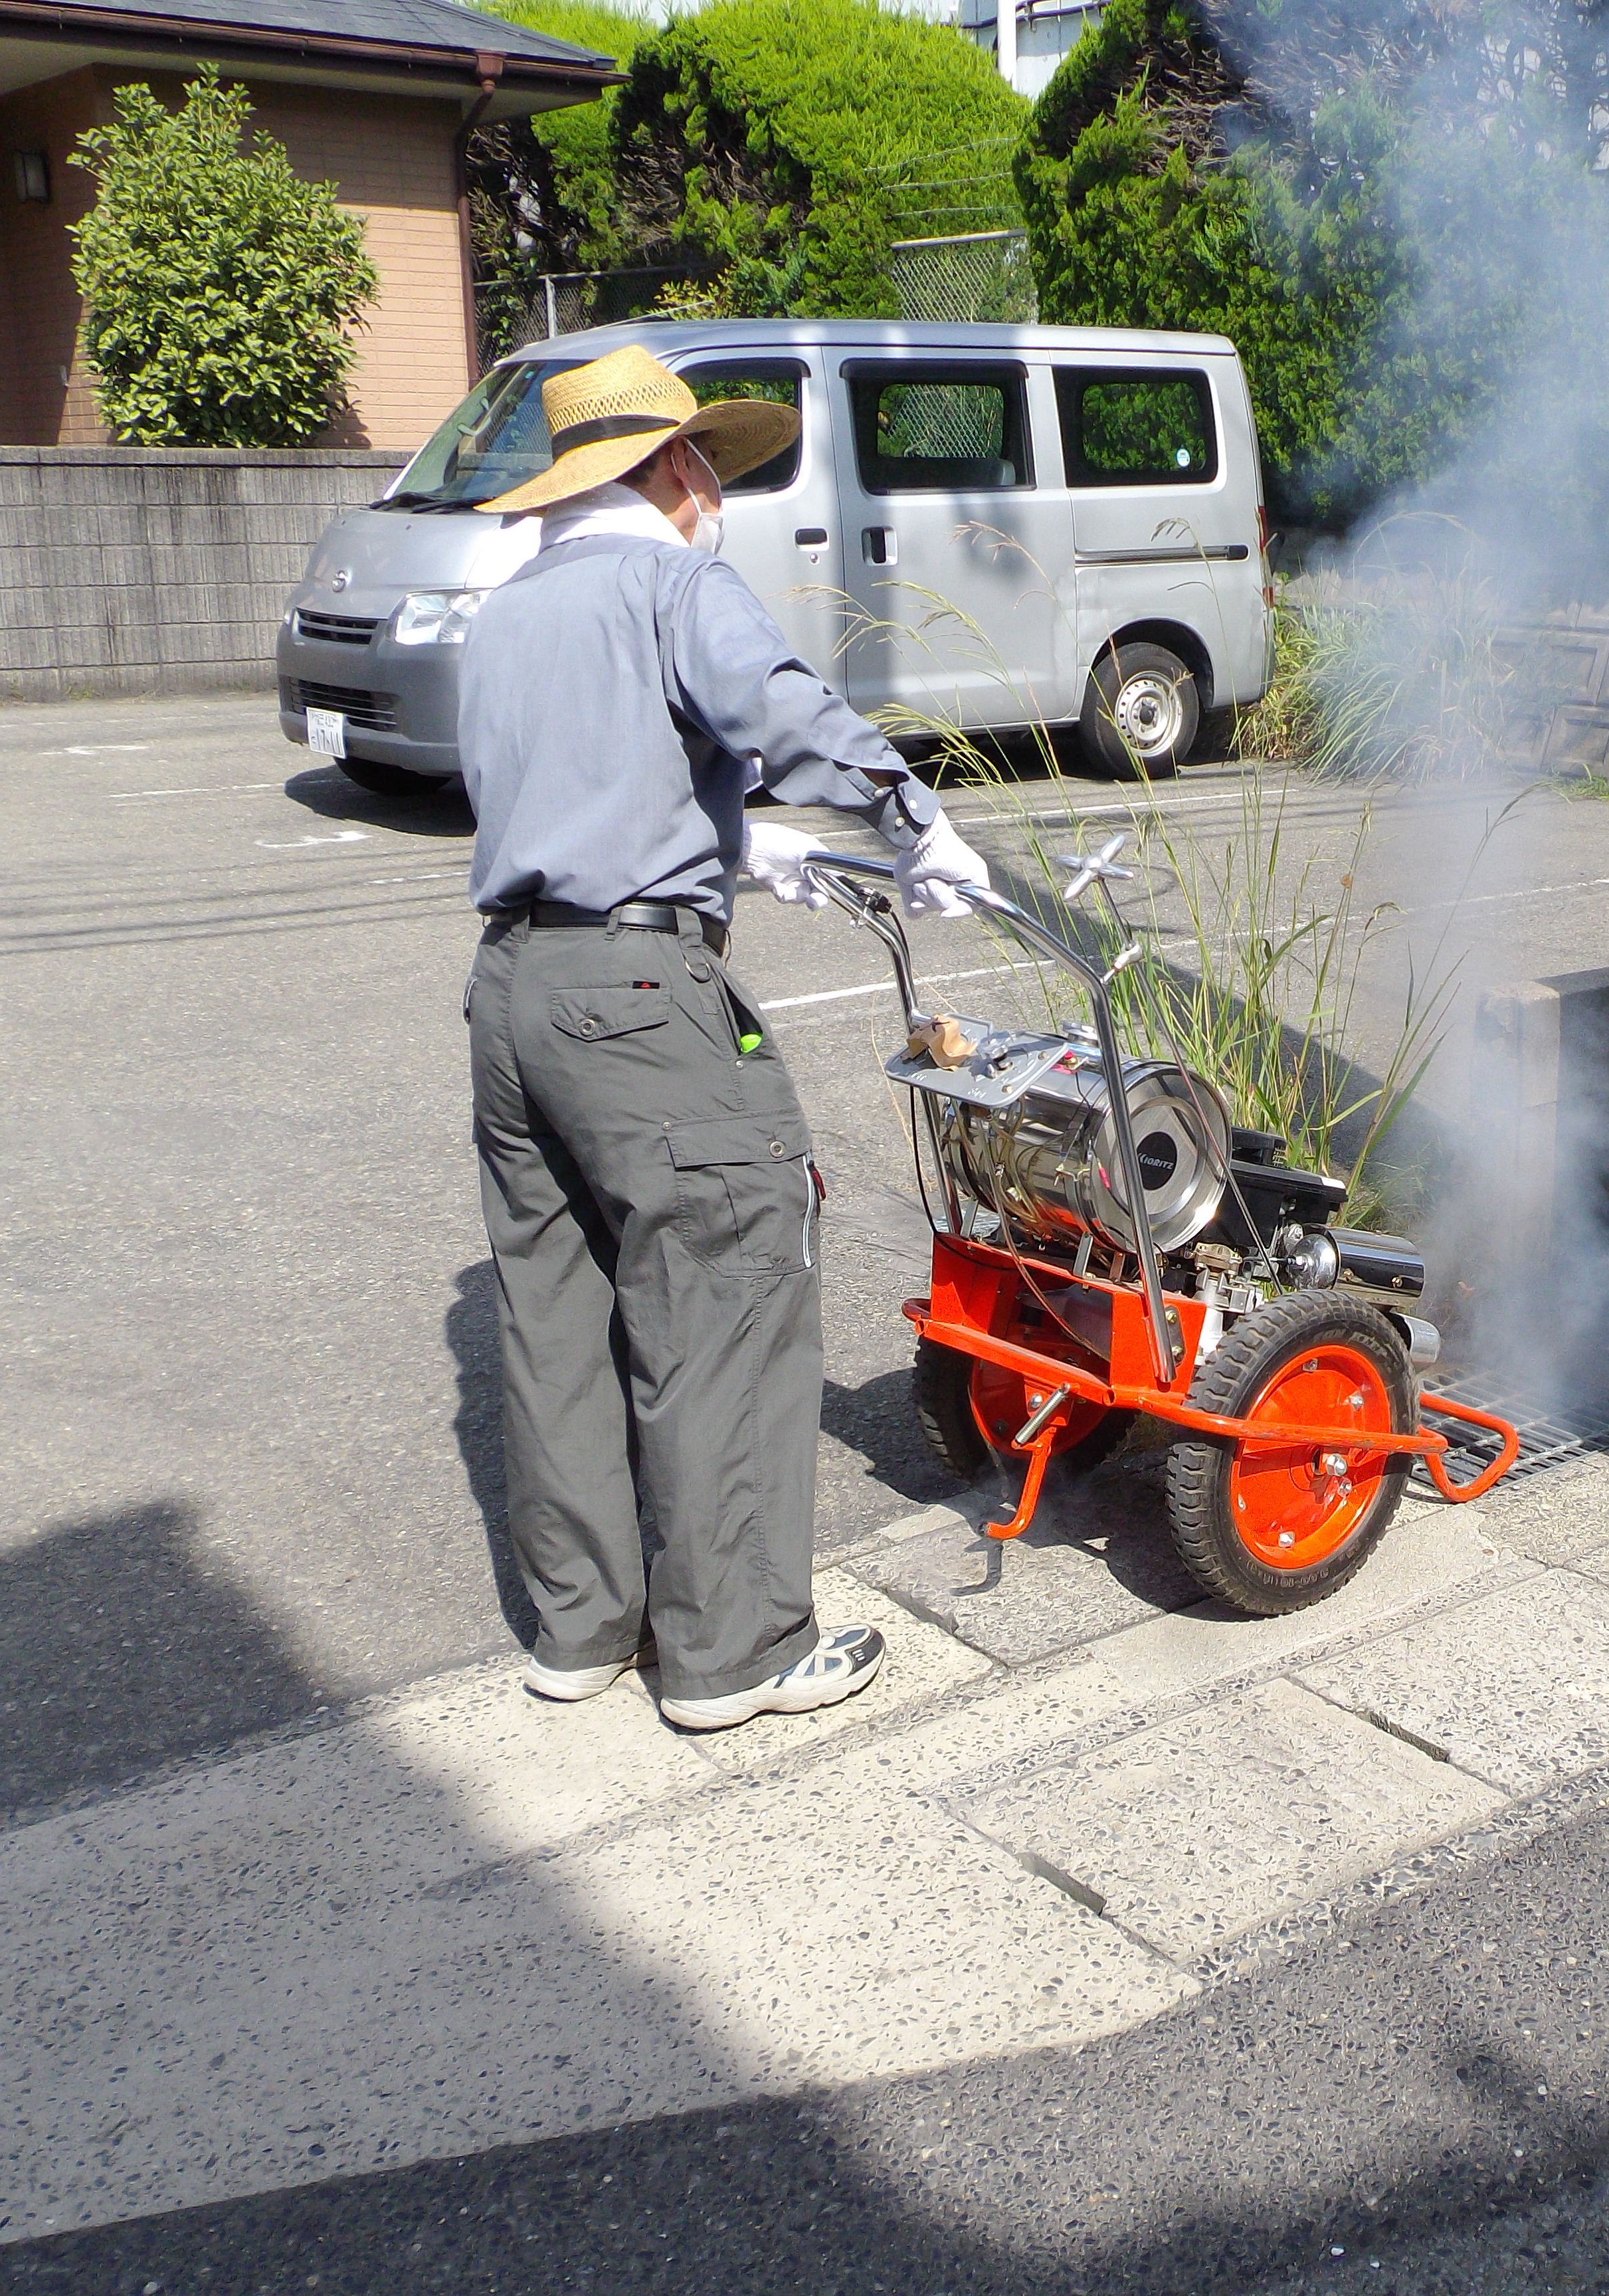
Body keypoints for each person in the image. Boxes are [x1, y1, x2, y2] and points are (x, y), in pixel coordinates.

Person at [460, 343, 991, 1726]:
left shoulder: (506, 610)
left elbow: (573, 781)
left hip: (514, 994)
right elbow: (779, 706)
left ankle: (583, 1634)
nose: (722, 500)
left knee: (557, 1316)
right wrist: (909, 821)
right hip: (641, 1000)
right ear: (679, 470)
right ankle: (736, 1651)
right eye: (715, 473)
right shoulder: (674, 576)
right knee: (733, 1274)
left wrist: (733, 842)